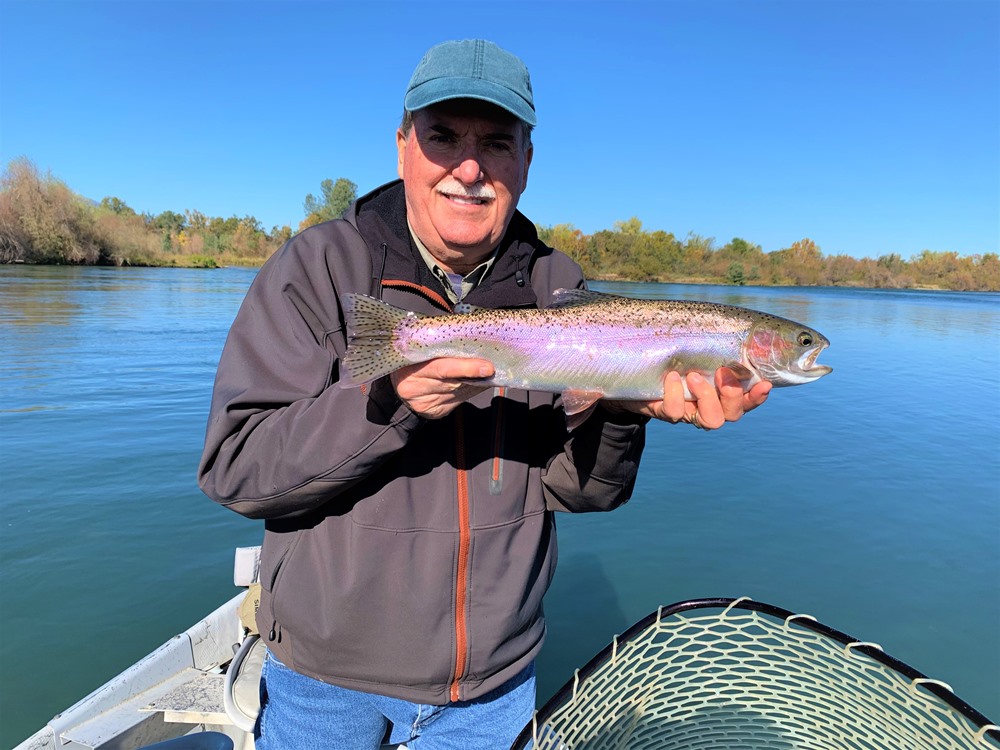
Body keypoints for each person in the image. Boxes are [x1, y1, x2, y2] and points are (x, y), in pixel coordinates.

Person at [198, 39, 771, 750]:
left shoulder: (559, 288)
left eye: (496, 144)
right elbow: (237, 471)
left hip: (492, 692)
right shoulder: (317, 267)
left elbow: (580, 493)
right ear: (403, 146)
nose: (468, 170)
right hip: (323, 679)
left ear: (526, 160)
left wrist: (621, 412)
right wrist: (390, 404)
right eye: (443, 137)